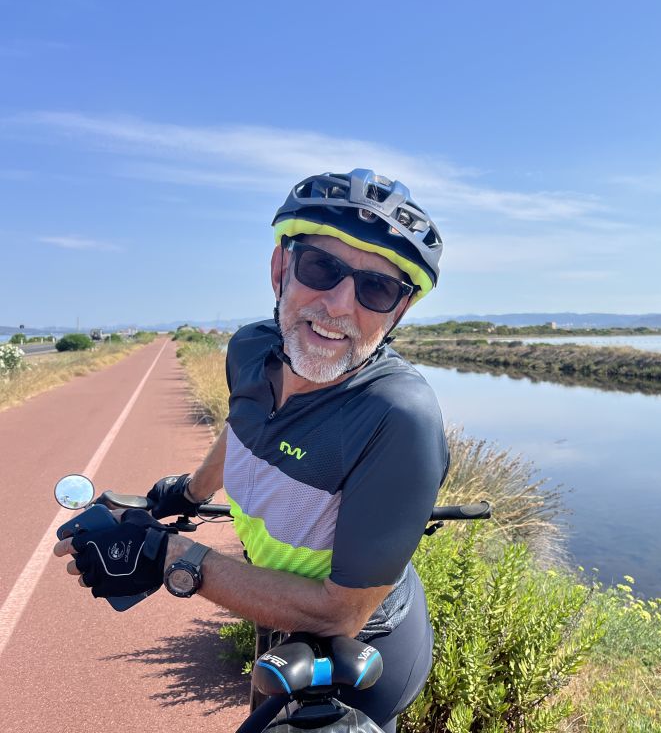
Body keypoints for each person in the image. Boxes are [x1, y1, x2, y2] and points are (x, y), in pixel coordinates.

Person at [53, 169, 448, 732]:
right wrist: (186, 492)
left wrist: (170, 557)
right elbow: (243, 426)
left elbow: (342, 611)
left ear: (398, 312)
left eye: (376, 288)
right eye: (321, 268)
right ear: (279, 269)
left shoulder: (397, 417)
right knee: (259, 703)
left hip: (360, 642)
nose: (339, 305)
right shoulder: (250, 348)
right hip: (275, 608)